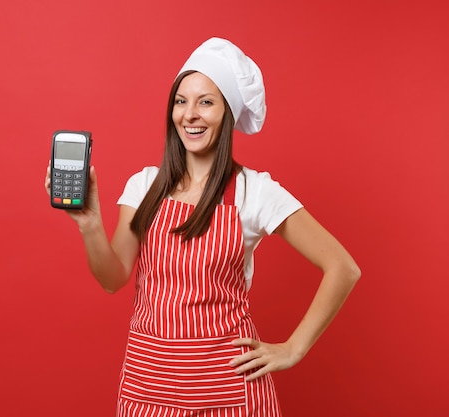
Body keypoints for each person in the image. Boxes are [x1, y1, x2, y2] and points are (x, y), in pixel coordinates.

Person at [44, 37, 361, 417]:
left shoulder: (253, 191)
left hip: (229, 394)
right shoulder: (144, 185)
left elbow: (343, 268)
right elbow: (113, 278)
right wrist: (89, 223)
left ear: (227, 113)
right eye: (181, 101)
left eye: (205, 102)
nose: (189, 114)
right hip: (148, 389)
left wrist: (293, 348)